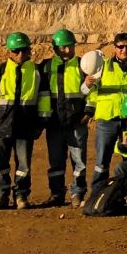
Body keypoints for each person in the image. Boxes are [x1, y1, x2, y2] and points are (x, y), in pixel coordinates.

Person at [0, 33, 51, 210]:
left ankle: (21, 196)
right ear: (9, 51)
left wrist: (41, 123)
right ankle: (0, 196)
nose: (20, 55)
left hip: (26, 126)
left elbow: (44, 99)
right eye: (16, 51)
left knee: (23, 165)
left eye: (24, 50)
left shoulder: (37, 72)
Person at [86, 33, 127, 194]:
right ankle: (98, 193)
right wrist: (87, 88)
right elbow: (90, 90)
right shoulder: (103, 66)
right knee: (102, 160)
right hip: (107, 119)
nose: (124, 50)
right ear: (115, 48)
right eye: (120, 46)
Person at [37, 29, 89, 206]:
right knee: (56, 161)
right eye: (62, 47)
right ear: (55, 48)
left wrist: (88, 113)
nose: (67, 51)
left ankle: (78, 193)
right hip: (55, 122)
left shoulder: (83, 66)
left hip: (76, 122)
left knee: (79, 161)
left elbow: (92, 92)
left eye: (70, 46)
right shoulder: (45, 66)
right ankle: (57, 194)